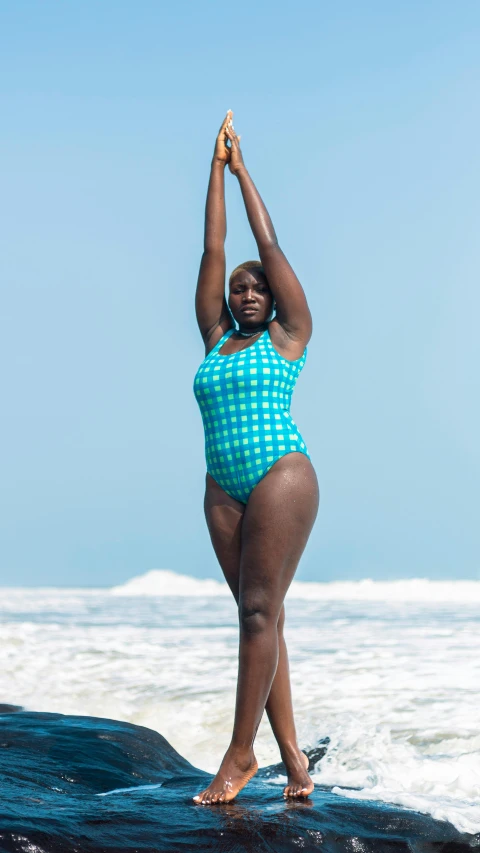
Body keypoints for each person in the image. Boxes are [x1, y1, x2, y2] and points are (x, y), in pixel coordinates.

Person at [192, 111, 319, 805]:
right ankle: (295, 760)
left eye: (256, 288)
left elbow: (264, 244)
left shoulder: (288, 335)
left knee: (259, 611)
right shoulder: (214, 337)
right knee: (257, 614)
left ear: (273, 299)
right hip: (222, 487)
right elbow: (213, 249)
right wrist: (210, 169)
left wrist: (243, 173)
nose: (245, 293)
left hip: (280, 474)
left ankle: (240, 754)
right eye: (238, 288)